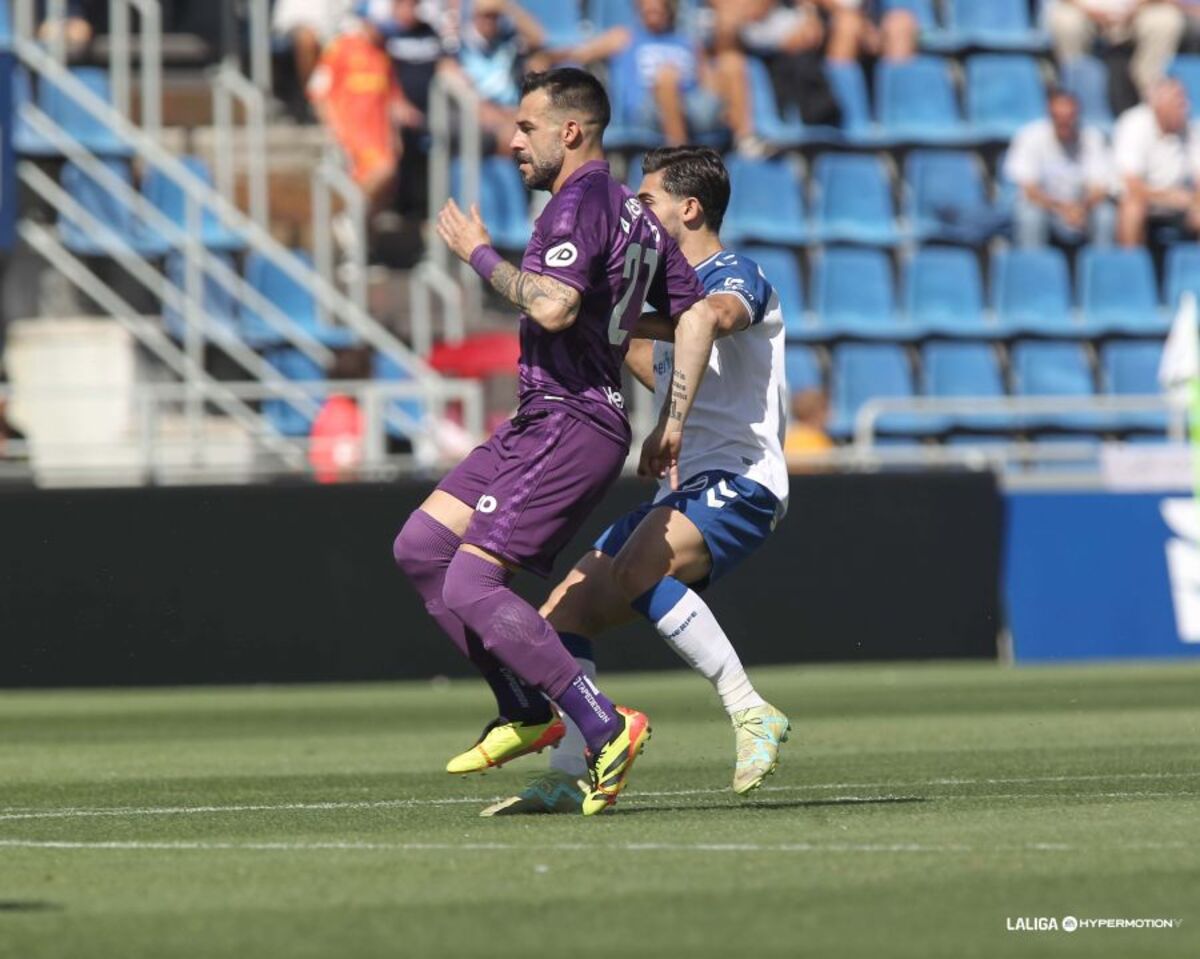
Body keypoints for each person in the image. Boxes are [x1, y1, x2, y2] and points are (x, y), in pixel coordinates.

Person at [393, 69, 720, 816]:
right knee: (420, 548)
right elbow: (689, 314)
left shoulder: (579, 203)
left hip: (569, 419)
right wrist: (669, 415)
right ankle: (527, 709)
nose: (512, 141)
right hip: (547, 416)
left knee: (471, 585)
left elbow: (554, 304)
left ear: (570, 131)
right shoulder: (634, 215)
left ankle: (604, 724)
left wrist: (480, 253)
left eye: (525, 127)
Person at [480, 146, 792, 817]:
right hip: (686, 489)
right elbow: (656, 351)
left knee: (641, 568)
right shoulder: (668, 292)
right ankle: (571, 771)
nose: (635, 211)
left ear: (689, 208)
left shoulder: (736, 273)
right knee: (561, 612)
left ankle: (751, 711)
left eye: (646, 200)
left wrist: (671, 424)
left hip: (742, 477)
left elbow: (705, 318)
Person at [539, 0, 754, 150]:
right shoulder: (625, 37)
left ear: (669, 10)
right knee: (666, 77)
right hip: (647, 109)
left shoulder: (687, 42)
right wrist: (547, 56)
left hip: (692, 107)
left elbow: (707, 81)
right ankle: (678, 153)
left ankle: (744, 142)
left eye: (658, 9)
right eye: (648, 9)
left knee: (732, 63)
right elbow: (581, 52)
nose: (653, 13)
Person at [1005, 88, 1115, 248]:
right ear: (1050, 116)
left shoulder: (1092, 138)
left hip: (1082, 208)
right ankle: (1034, 267)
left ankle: (1103, 268)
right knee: (1030, 216)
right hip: (1045, 207)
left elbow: (1099, 188)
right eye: (1059, 118)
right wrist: (1062, 209)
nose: (1065, 123)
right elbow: (1030, 190)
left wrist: (1081, 208)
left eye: (1069, 117)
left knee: (1106, 215)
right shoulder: (1029, 137)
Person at [1046, 0, 1184, 108]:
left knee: (1166, 20)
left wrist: (1137, 6)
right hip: (1087, 11)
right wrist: (1090, 10)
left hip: (1138, 11)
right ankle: (1074, 96)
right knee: (1066, 21)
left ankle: (1154, 98)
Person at [1113, 78, 1200, 246]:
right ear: (1160, 105)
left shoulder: (1192, 130)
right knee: (1133, 208)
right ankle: (1132, 267)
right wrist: (1167, 196)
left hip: (1179, 203)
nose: (1185, 107)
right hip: (1141, 198)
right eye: (1178, 101)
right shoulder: (1134, 124)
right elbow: (1132, 185)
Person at [448, 0, 545, 151]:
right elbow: (451, 78)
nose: (490, 21)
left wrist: (507, 6)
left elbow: (538, 37)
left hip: (512, 112)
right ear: (475, 16)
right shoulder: (460, 45)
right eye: (486, 16)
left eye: (495, 16)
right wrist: (496, 116)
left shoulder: (507, 40)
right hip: (480, 115)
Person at [272, 0, 354, 92]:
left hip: (341, 31)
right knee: (305, 38)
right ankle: (311, 97)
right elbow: (290, 20)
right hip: (302, 29)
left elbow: (350, 14)